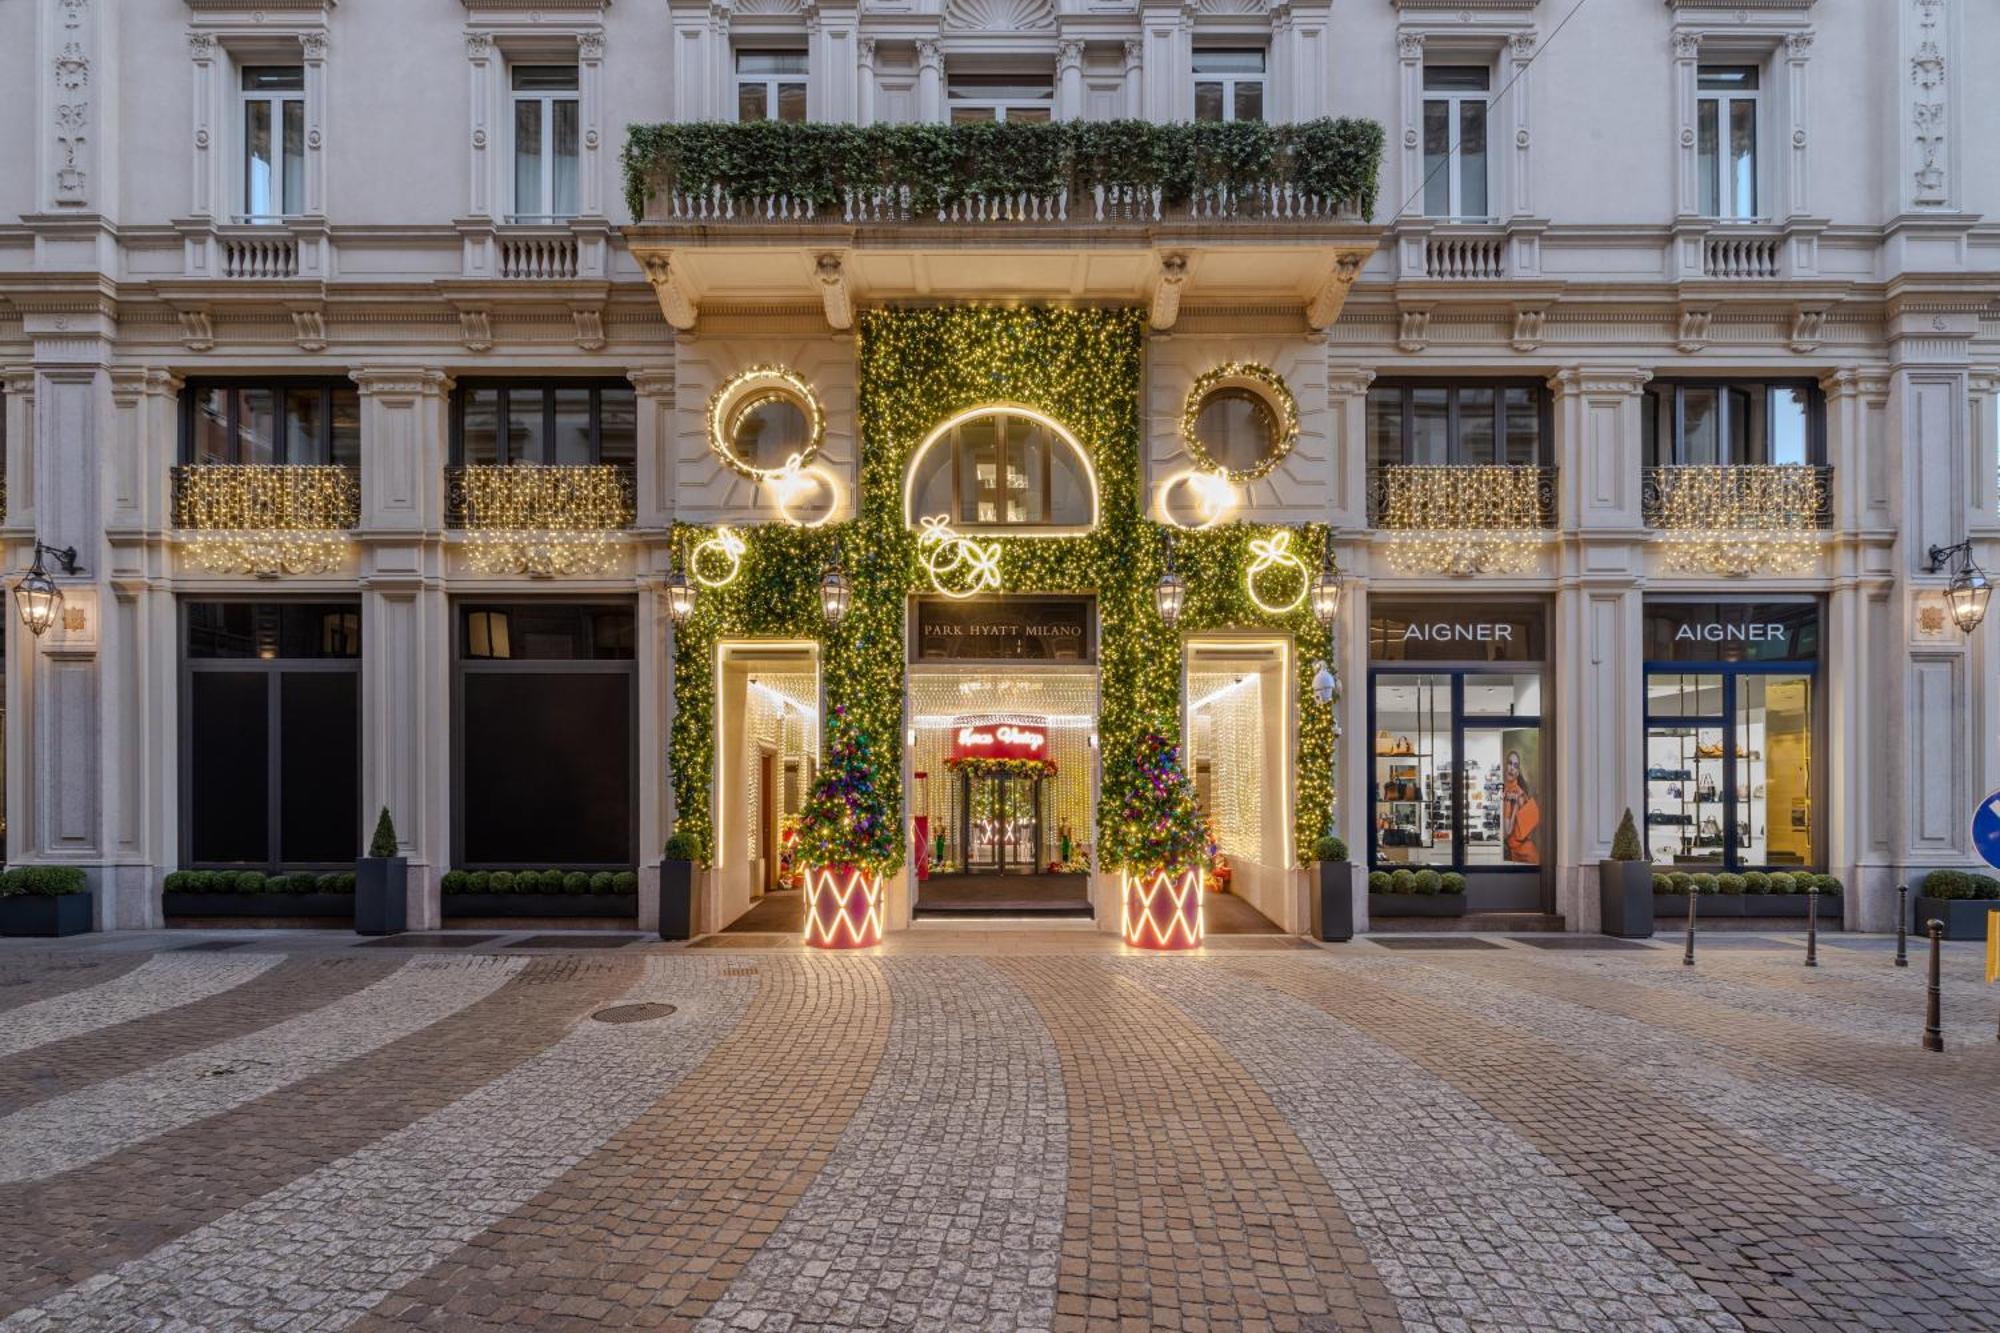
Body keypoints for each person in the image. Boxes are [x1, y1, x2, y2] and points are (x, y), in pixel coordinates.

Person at [1502, 749, 1541, 864]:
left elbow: (1507, 831)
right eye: (1510, 763)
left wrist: (1514, 808)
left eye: (1515, 765)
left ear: (1518, 772)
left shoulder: (1519, 794)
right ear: (1505, 765)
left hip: (1524, 850)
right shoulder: (1505, 790)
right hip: (1512, 850)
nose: (1512, 768)